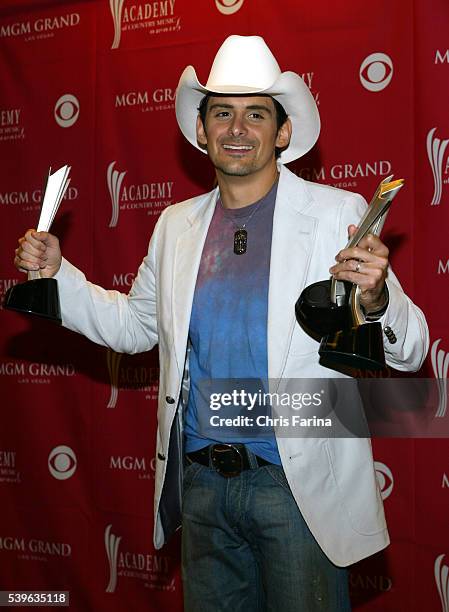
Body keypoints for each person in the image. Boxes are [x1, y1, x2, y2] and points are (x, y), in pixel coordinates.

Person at [14, 35, 428, 611]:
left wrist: (379, 298)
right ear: (202, 131)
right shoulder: (174, 224)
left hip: (296, 489)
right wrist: (60, 276)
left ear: (282, 133)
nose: (238, 128)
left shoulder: (338, 214)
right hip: (201, 488)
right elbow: (136, 327)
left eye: (256, 114)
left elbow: (411, 350)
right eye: (222, 113)